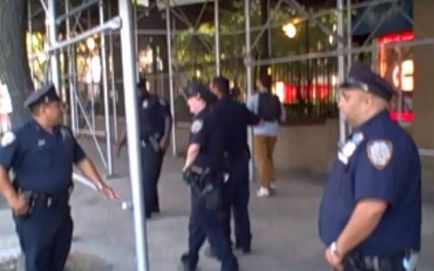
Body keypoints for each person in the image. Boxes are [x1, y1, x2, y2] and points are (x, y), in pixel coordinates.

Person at [0, 84, 119, 271]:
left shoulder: (64, 133)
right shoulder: (20, 135)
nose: (61, 109)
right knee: (37, 263)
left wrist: (100, 184)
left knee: (59, 257)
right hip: (35, 212)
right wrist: (12, 199)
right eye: (57, 105)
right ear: (43, 109)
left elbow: (81, 159)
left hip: (61, 208)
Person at [318, 62, 421, 271]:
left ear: (367, 102)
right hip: (360, 258)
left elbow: (372, 207)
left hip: (377, 262)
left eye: (346, 97)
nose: (339, 104)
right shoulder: (364, 136)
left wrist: (338, 248)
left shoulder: (380, 141)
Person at [181, 83, 238, 271]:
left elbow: (194, 147)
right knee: (197, 223)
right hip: (212, 178)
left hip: (205, 181)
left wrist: (186, 168)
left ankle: (229, 264)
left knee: (210, 225)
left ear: (199, 98)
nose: (187, 103)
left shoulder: (202, 119)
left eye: (189, 99)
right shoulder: (215, 116)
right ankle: (191, 258)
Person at [210, 76, 260, 254]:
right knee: (241, 204)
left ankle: (224, 244)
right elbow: (256, 119)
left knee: (222, 205)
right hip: (241, 160)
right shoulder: (239, 107)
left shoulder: (214, 110)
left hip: (224, 163)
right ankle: (244, 242)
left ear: (216, 89)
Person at [117, 78, 172, 218]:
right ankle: (153, 205)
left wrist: (166, 136)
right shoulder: (133, 103)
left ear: (143, 88)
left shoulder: (157, 101)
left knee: (149, 177)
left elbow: (167, 118)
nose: (136, 92)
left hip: (153, 144)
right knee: (141, 176)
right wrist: (121, 141)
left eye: (137, 89)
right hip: (138, 145)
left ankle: (144, 211)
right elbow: (129, 123)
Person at [246, 73, 286, 197]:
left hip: (260, 131)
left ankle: (264, 187)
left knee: (262, 159)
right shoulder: (275, 98)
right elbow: (283, 116)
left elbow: (247, 112)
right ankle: (271, 180)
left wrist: (254, 122)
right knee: (268, 157)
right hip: (273, 131)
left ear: (259, 83)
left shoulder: (254, 98)